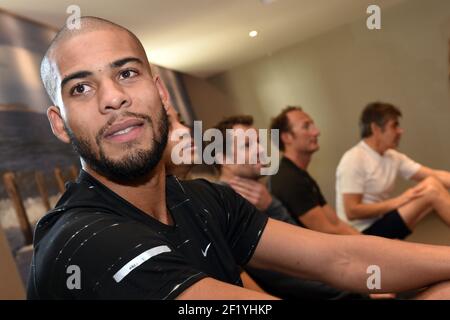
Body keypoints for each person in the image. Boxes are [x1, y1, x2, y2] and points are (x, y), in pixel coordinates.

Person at [29, 16, 450, 300]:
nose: (113, 97)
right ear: (59, 123)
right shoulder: (82, 241)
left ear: (161, 93)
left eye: (126, 73)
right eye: (80, 88)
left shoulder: (205, 200)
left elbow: (341, 257)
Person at [211, 114, 364, 299]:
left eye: (258, 142)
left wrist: (271, 205)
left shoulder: (262, 192)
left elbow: (301, 247)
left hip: (338, 286)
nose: (261, 149)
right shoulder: (219, 204)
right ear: (223, 159)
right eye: (247, 145)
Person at [336, 102, 450, 239]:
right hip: (361, 233)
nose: (400, 131)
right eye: (394, 125)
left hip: (381, 220)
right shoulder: (354, 158)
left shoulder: (392, 156)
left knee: (432, 183)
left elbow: (435, 175)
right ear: (376, 129)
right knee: (431, 190)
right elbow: (352, 211)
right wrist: (399, 201)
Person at [270, 106, 360, 235]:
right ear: (286, 137)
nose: (316, 132)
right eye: (306, 126)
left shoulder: (299, 174)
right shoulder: (288, 179)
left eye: (313, 125)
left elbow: (336, 223)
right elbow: (328, 233)